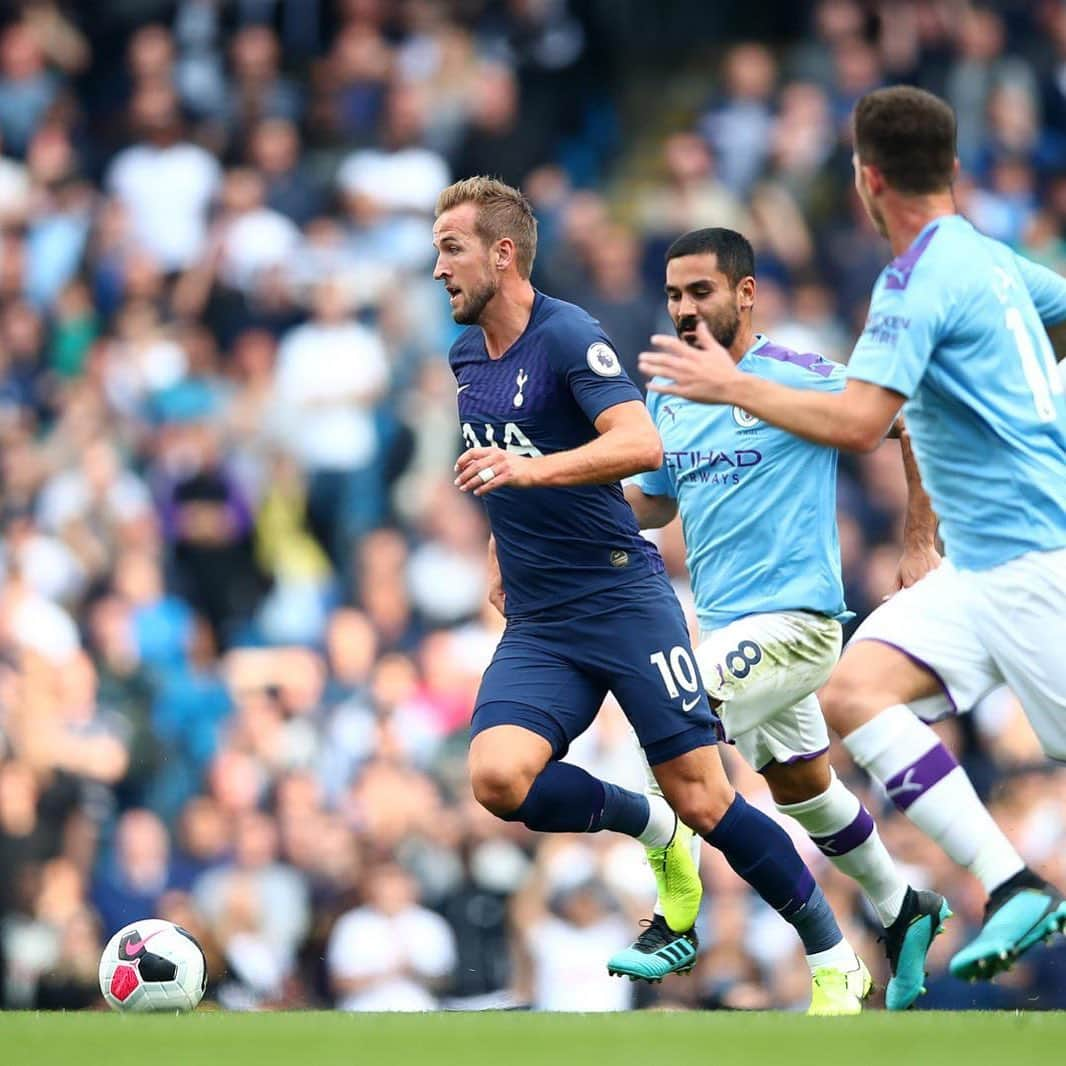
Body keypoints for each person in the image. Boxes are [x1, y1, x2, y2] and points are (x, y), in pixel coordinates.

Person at [637, 85, 1066, 982]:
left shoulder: (913, 284)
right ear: (947, 168)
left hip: (1030, 558)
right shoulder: (992, 263)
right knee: (855, 694)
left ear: (869, 182)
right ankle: (1008, 885)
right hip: (981, 562)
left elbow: (867, 422)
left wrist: (732, 387)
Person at [436, 175, 870, 1015]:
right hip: (541, 619)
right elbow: (509, 458)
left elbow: (636, 442)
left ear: (502, 253)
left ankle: (832, 955)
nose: (439, 269)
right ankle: (649, 826)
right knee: (497, 779)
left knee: (708, 794)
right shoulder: (463, 356)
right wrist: (502, 532)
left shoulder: (568, 335)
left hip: (620, 599)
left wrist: (528, 473)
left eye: (451, 249)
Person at [608, 225, 948, 1011]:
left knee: (669, 725)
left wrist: (919, 539)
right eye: (673, 296)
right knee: (802, 791)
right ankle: (904, 909)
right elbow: (658, 499)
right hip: (731, 632)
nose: (686, 309)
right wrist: (570, 509)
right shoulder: (671, 390)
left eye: (702, 292)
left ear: (746, 293)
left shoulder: (798, 375)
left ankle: (681, 920)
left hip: (796, 624)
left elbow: (913, 418)